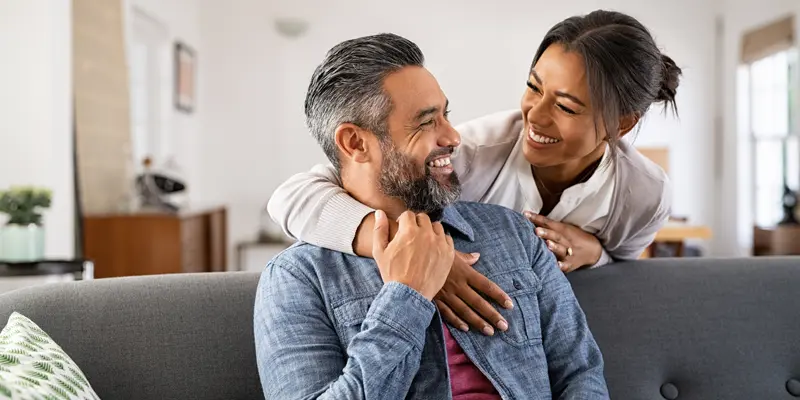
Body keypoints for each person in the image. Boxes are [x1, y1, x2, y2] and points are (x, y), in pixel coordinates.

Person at [267, 9, 680, 336]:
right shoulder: (472, 152)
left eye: (566, 106)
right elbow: (292, 197)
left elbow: (625, 269)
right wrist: (417, 254)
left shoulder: (644, 195)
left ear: (621, 125)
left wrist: (596, 253)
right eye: (533, 87)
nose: (534, 115)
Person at [254, 33, 608, 399]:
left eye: (446, 114)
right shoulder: (297, 279)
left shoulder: (515, 232)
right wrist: (406, 296)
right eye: (426, 122)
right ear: (355, 143)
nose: (453, 136)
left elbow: (580, 373)